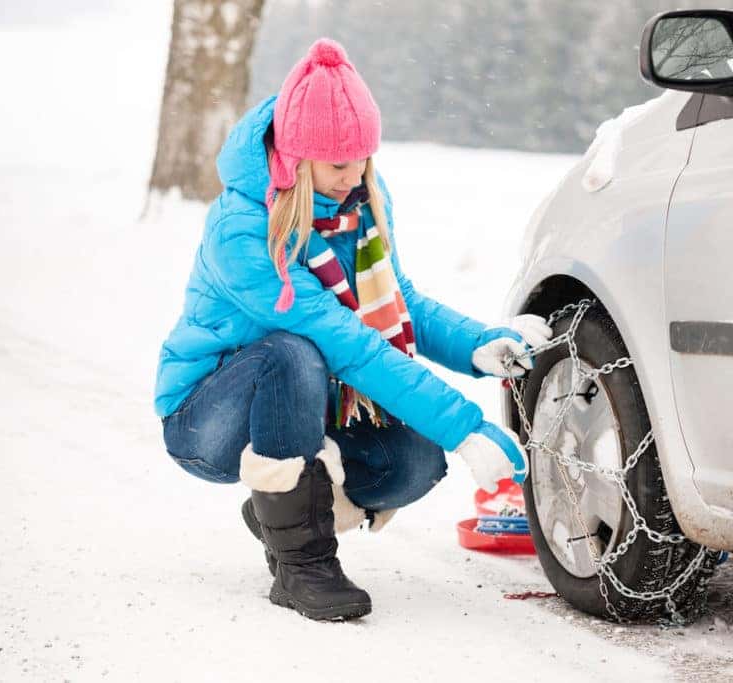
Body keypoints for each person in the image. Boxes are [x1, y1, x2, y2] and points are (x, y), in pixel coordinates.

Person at [153, 38, 551, 622]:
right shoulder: (245, 232)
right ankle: (303, 566)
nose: (353, 175)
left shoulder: (360, 198)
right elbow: (346, 341)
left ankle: (283, 509)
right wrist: (465, 425)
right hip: (208, 418)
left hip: (303, 409)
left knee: (415, 459)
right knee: (292, 353)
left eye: (363, 158)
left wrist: (475, 345)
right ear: (294, 158)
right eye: (338, 163)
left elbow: (399, 301)